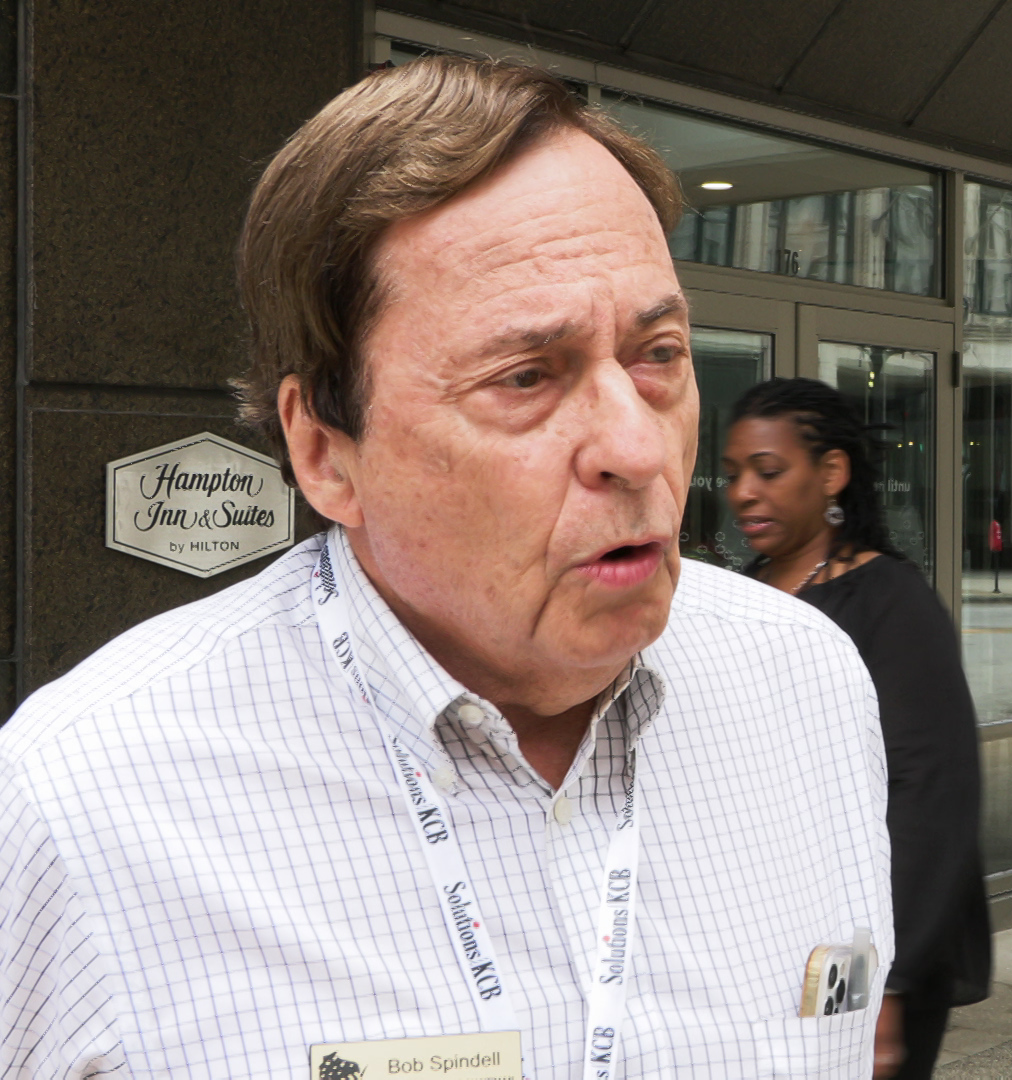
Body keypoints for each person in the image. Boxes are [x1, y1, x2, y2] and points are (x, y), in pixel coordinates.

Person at [0, 58, 893, 1077]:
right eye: (525, 377)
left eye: (658, 355)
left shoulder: (810, 688)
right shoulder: (81, 799)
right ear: (326, 451)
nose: (639, 450)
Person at [723, 378, 991, 1080]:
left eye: (768, 471)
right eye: (733, 474)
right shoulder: (741, 594)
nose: (743, 492)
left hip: (862, 952)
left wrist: (880, 988)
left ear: (832, 473)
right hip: (760, 938)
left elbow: (930, 792)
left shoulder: (892, 603)